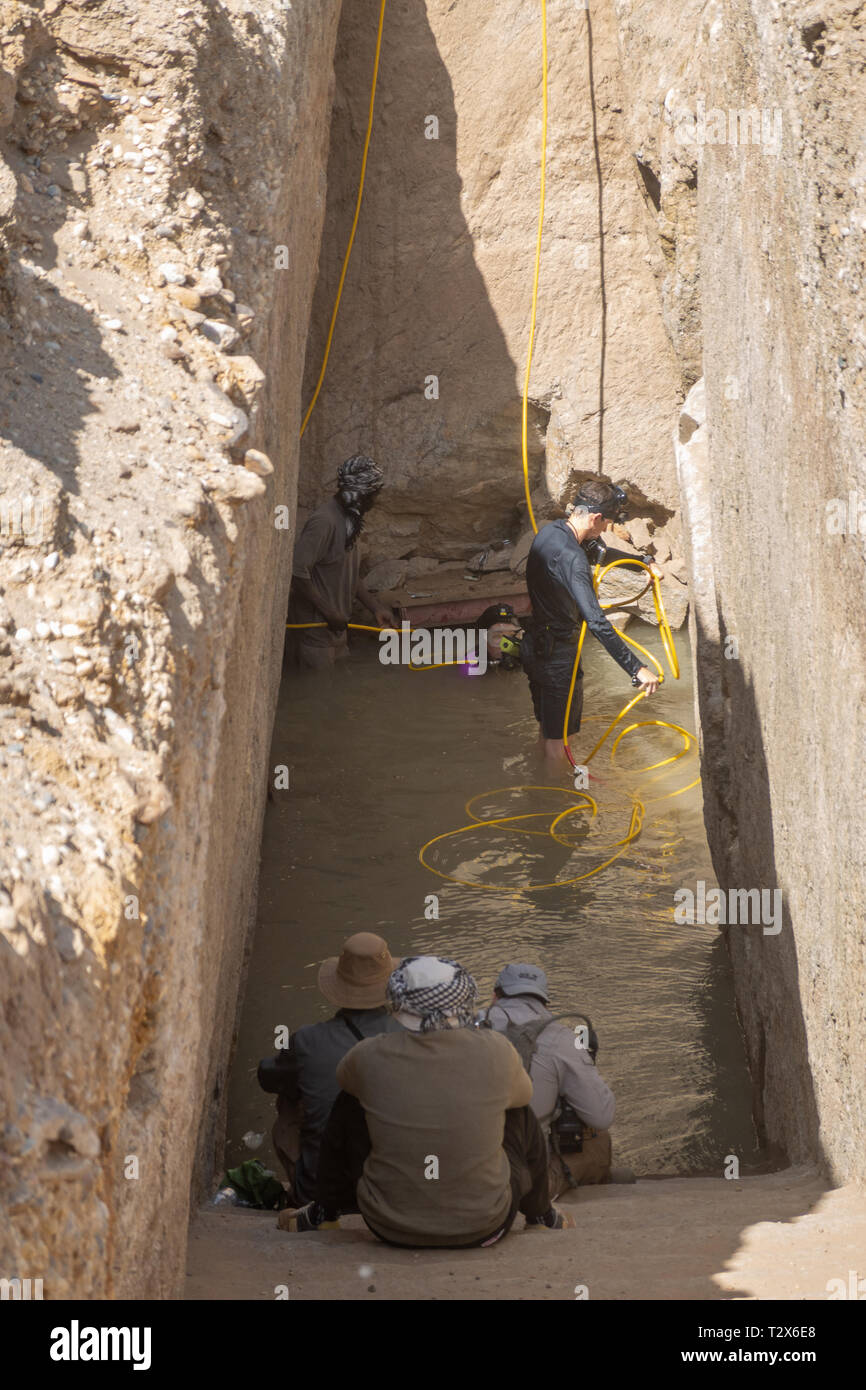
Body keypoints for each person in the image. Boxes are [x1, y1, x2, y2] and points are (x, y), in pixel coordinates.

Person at [279, 956, 574, 1242]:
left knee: (350, 1102)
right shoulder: (498, 1050)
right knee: (516, 1110)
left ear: (398, 1002)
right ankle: (541, 1215)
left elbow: (343, 1082)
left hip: (388, 1225)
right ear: (465, 999)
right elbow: (526, 1096)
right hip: (488, 1224)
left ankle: (323, 1212)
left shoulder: (368, 1054)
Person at [521, 477, 664, 762]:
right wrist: (636, 669)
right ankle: (561, 799)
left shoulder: (552, 534)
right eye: (607, 525)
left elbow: (598, 551)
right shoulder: (574, 560)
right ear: (596, 518)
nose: (605, 531)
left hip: (535, 645)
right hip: (557, 654)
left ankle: (539, 790)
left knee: (548, 732)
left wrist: (644, 563)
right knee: (562, 742)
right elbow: (597, 622)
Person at [257, 932, 402, 1206]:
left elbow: (267, 1077)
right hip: (391, 1193)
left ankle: (300, 1193)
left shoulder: (307, 1040)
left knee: (290, 1096)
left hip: (321, 1193)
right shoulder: (410, 1036)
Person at [481, 963, 626, 1198]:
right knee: (598, 1142)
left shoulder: (467, 1029)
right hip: (519, 1180)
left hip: (469, 1167)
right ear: (545, 1002)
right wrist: (586, 1064)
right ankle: (588, 1188)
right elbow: (602, 1116)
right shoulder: (563, 1038)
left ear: (495, 995)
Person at [287, 455, 394, 669]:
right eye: (372, 496)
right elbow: (297, 572)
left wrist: (375, 608)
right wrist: (329, 612)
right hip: (315, 636)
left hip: (336, 632)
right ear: (359, 494)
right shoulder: (324, 521)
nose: (374, 502)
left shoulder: (350, 520)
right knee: (319, 695)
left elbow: (347, 574)